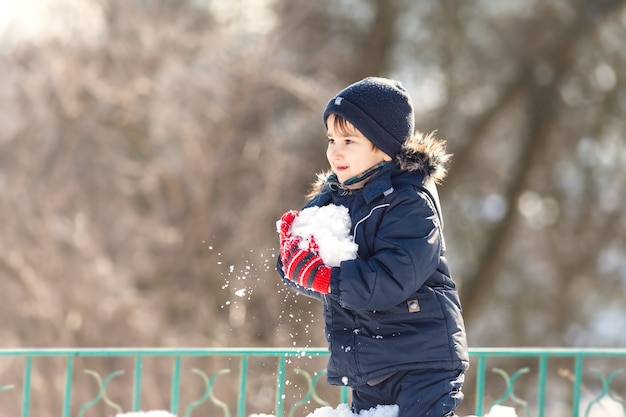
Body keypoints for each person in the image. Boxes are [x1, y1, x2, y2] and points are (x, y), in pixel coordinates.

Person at [276, 77, 469, 417]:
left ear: (382, 147)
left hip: (422, 363)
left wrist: (323, 277)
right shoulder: (331, 201)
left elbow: (392, 278)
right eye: (332, 139)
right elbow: (312, 274)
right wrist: (292, 259)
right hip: (368, 366)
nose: (335, 151)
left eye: (349, 140)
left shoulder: (410, 202)